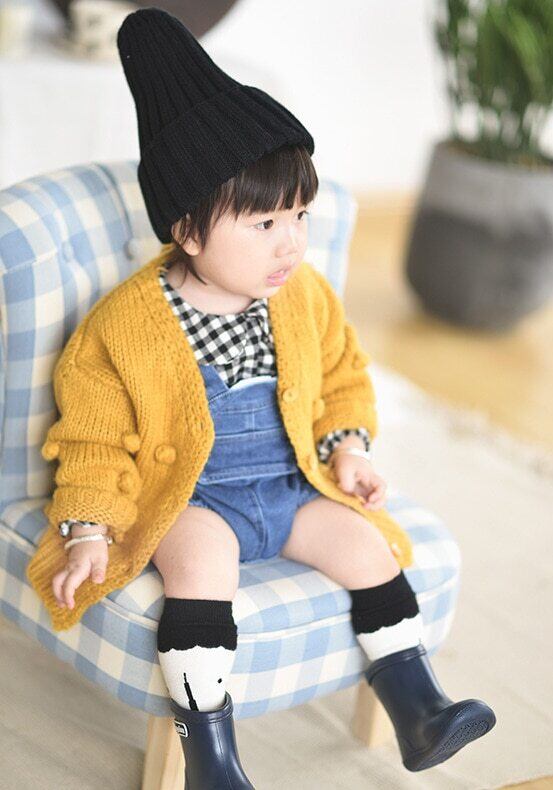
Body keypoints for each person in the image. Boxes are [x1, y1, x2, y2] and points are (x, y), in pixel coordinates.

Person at [26, 8, 496, 786]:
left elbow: (341, 375)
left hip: (288, 489)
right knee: (201, 569)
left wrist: (347, 448)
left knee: (366, 547)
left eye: (300, 215)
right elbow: (94, 440)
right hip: (192, 500)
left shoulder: (301, 296)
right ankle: (211, 756)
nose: (291, 241)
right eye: (265, 221)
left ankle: (419, 709)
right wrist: (88, 529)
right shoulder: (123, 327)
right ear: (187, 230)